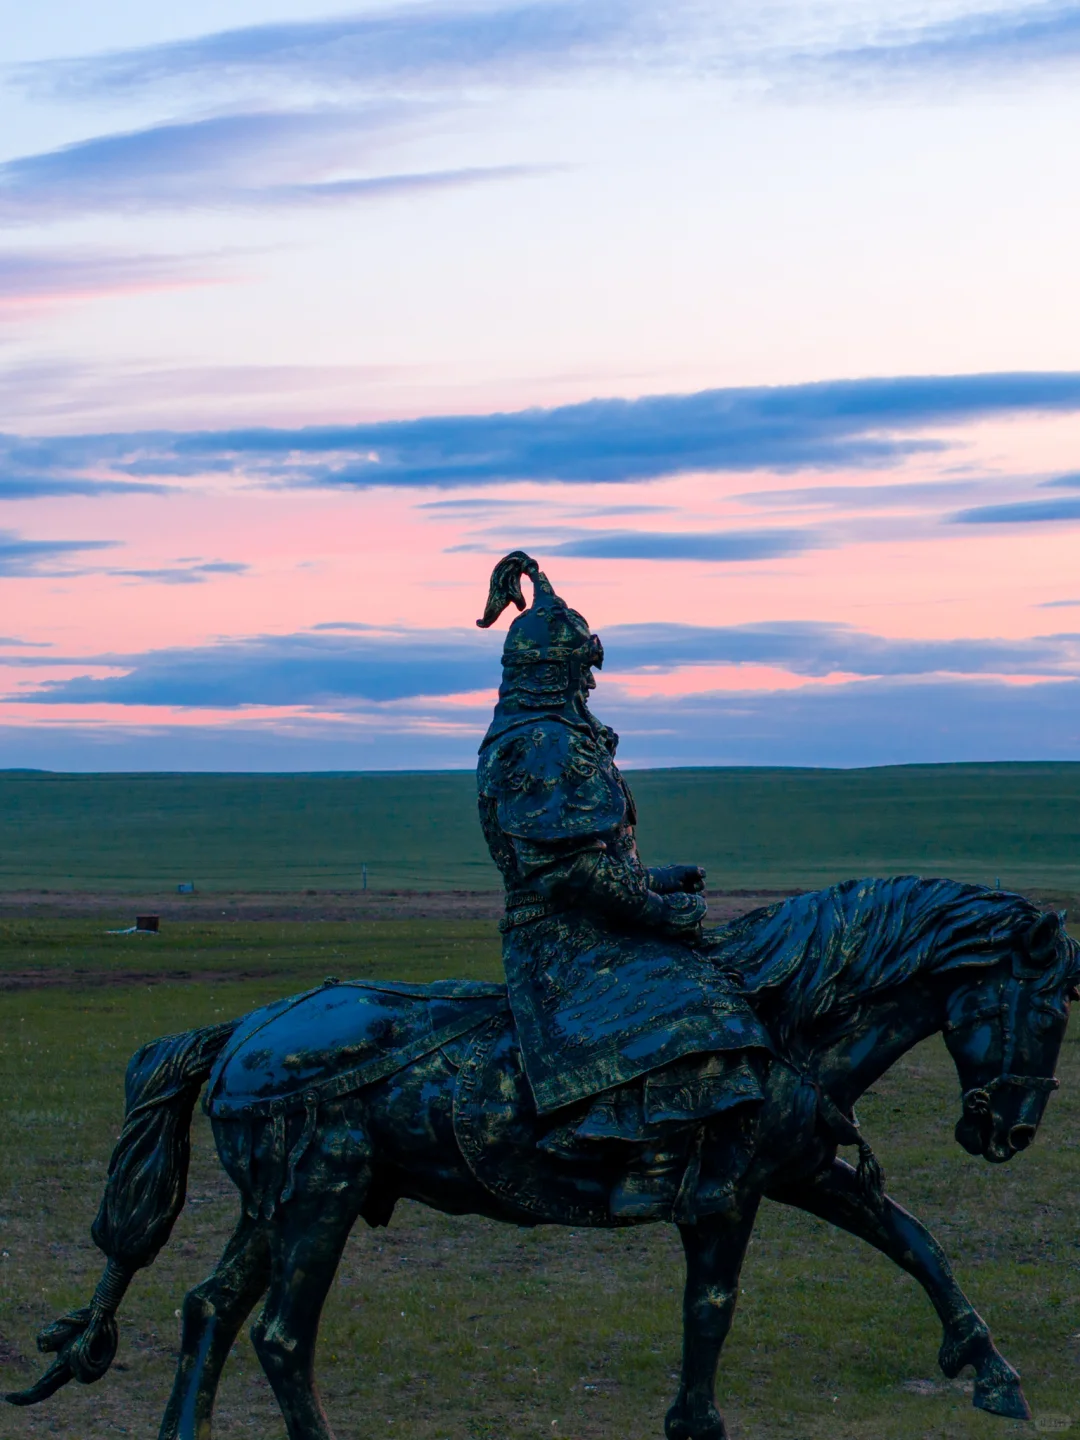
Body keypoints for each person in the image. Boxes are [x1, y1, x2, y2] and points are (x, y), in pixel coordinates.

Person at [476, 552, 773, 1220]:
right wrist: (659, 913)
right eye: (583, 669)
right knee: (693, 1005)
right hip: (563, 941)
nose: (591, 683)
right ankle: (645, 1159)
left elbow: (588, 854)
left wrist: (657, 881)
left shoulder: (555, 737)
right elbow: (568, 870)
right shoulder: (544, 744)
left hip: (591, 923)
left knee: (715, 974)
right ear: (557, 672)